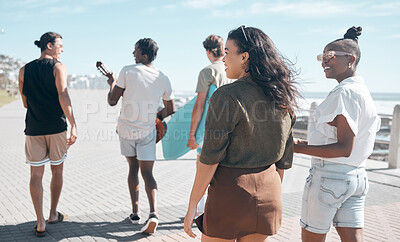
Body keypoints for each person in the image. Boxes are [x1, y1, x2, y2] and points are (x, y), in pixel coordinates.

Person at [184, 26, 299, 241]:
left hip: (230, 195)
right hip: (270, 194)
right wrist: (269, 191)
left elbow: (210, 158)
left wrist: (192, 205)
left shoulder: (226, 95)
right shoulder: (282, 95)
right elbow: (284, 159)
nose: (224, 58)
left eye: (228, 52)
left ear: (244, 57)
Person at [294, 26, 381, 242]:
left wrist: (293, 148)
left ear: (350, 59)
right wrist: (302, 142)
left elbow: (343, 147)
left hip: (330, 179)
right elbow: (333, 139)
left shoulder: (345, 93)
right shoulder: (362, 91)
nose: (324, 61)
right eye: (322, 57)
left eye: (330, 56)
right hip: (356, 177)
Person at [106, 38, 174, 234]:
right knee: (148, 173)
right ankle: (153, 213)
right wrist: (155, 117)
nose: (133, 54)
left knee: (133, 169)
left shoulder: (127, 70)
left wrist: (112, 84)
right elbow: (170, 109)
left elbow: (112, 101)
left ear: (144, 55)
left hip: (126, 129)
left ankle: (135, 214)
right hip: (148, 131)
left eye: (135, 51)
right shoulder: (163, 77)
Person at [18, 32, 77, 237]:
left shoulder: (24, 70)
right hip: (56, 128)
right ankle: (53, 213)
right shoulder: (59, 67)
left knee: (35, 174)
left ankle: (40, 221)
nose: (62, 49)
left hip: (34, 128)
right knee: (57, 171)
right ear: (49, 46)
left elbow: (25, 101)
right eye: (60, 45)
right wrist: (73, 124)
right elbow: (63, 94)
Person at [186, 34, 232, 215]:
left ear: (208, 51)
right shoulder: (231, 70)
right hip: (229, 130)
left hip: (208, 131)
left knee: (202, 173)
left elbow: (199, 106)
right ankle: (218, 209)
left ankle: (200, 210)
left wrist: (191, 135)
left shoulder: (208, 72)